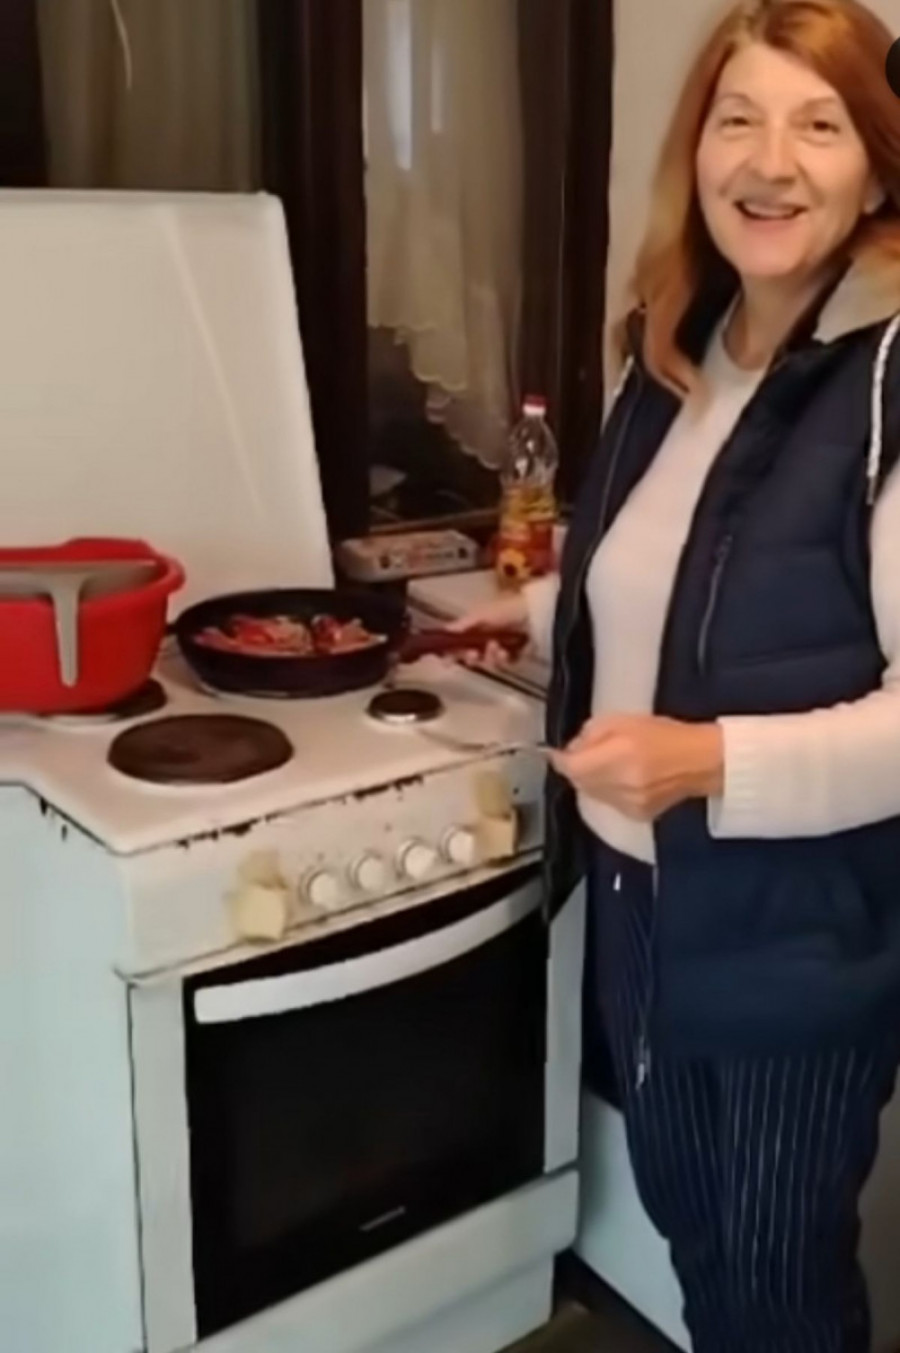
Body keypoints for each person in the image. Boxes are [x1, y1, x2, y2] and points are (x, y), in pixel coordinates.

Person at [456, 1, 900, 1347]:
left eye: (819, 125)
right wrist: (542, 620)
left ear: (880, 167)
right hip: (638, 902)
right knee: (702, 1247)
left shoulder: (887, 377)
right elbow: (675, 590)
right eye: (737, 118)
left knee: (775, 1292)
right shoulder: (673, 348)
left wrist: (705, 763)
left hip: (786, 937)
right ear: (695, 150)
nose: (769, 162)